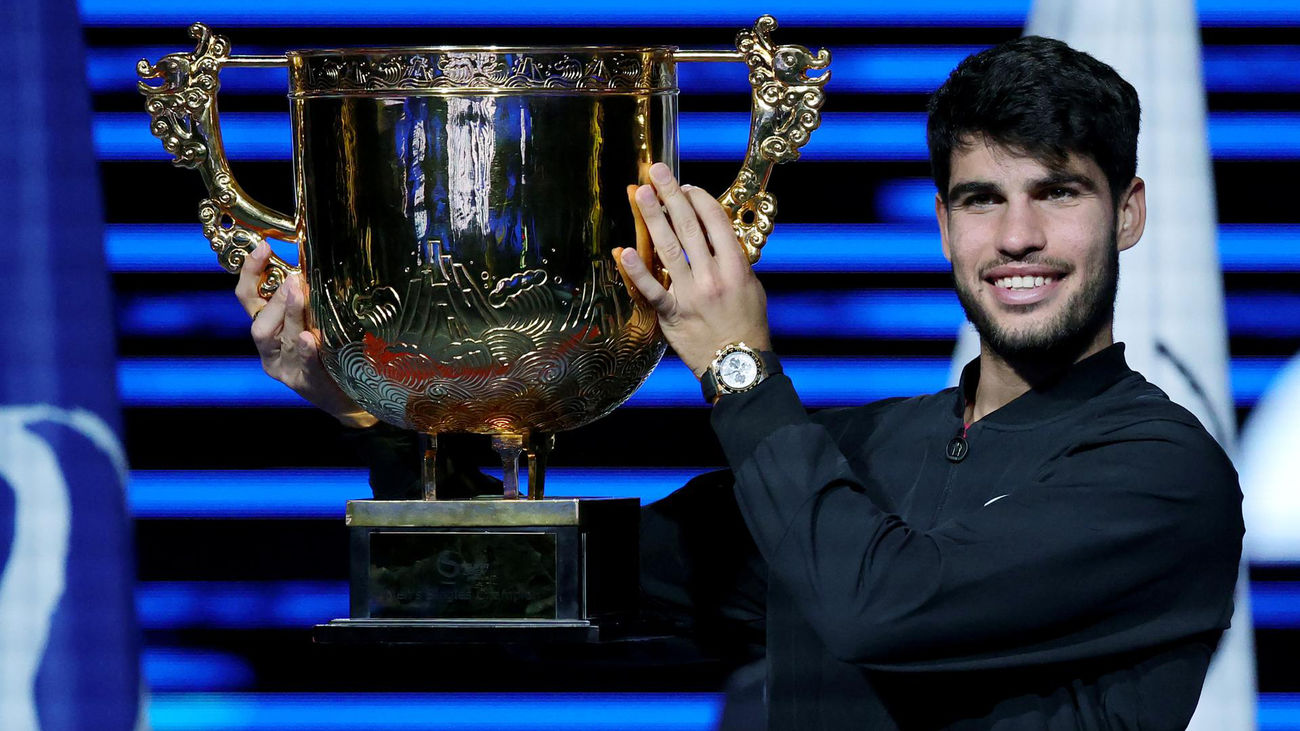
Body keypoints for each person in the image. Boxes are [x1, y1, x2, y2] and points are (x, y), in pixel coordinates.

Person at [238, 36, 1242, 730]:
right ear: (942, 226)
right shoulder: (853, 452)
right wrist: (379, 398)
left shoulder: (1159, 471)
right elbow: (529, 588)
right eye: (983, 199)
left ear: (1127, 213)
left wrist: (736, 364)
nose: (1016, 235)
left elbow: (878, 607)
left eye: (1056, 193)